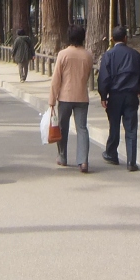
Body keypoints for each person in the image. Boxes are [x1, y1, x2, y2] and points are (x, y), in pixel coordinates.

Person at [97, 25, 140, 171]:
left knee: (114, 125)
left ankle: (112, 153)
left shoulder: (108, 55)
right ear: (126, 38)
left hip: (115, 95)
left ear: (112, 39)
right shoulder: (135, 55)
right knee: (131, 128)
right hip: (131, 94)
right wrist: (139, 89)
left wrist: (103, 95)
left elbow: (104, 78)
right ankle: (131, 161)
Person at [49, 24, 94, 172]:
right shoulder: (88, 55)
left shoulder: (63, 54)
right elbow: (87, 75)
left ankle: (62, 156)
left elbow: (56, 79)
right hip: (82, 96)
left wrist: (52, 100)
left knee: (63, 127)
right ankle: (83, 160)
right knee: (82, 128)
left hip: (65, 96)